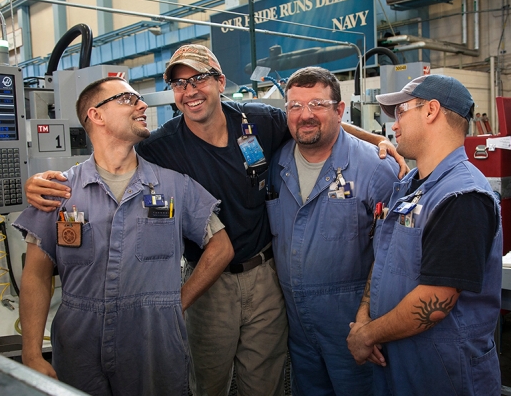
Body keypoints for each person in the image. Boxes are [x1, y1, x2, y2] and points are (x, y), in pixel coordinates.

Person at [24, 45, 406, 396]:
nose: (189, 90)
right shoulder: (162, 146)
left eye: (199, 78)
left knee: (265, 383)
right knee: (207, 381)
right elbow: (110, 152)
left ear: (220, 82)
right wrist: (46, 181)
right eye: (179, 82)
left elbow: (311, 119)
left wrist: (376, 141)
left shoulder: (257, 120)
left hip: (265, 276)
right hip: (209, 285)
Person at [14, 76, 234, 396]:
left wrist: (176, 302)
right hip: (79, 345)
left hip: (155, 344)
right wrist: (31, 351)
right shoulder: (59, 191)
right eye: (128, 100)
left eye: (139, 100)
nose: (142, 105)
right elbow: (35, 274)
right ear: (97, 115)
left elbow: (222, 246)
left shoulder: (173, 186)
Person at [347, 74, 502, 395]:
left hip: (443, 368)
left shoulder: (462, 196)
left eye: (400, 111)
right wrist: (364, 315)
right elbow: (385, 257)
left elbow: (438, 300)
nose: (393, 124)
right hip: (400, 358)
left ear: (431, 110)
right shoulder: (410, 185)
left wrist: (367, 334)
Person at [265, 67, 399, 395]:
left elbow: (396, 257)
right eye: (295, 106)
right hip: (298, 330)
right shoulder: (275, 165)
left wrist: (373, 325)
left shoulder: (376, 169)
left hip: (354, 326)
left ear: (339, 110)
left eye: (318, 104)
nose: (305, 115)